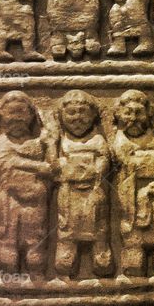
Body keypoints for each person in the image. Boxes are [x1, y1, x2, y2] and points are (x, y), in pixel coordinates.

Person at [112, 92, 154, 275]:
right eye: (128, 113)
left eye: (138, 113)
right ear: (119, 115)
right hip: (130, 196)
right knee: (131, 226)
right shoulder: (119, 143)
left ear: (147, 115)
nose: (133, 119)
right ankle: (133, 254)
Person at [0, 92, 53, 275]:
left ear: (30, 117)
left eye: (21, 115)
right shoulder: (2, 142)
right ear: (2, 118)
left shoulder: (38, 142)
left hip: (35, 199)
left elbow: (52, 168)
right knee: (8, 245)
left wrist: (51, 141)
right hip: (10, 201)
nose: (16, 121)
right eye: (11, 117)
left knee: (35, 244)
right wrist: (38, 166)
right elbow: (6, 163)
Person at [55, 93, 111, 276]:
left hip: (93, 189)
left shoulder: (98, 140)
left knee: (98, 221)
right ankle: (67, 250)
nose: (77, 119)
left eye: (83, 113)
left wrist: (98, 168)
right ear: (61, 116)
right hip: (69, 191)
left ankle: (101, 251)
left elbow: (104, 159)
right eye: (71, 113)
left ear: (94, 116)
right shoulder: (62, 142)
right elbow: (55, 166)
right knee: (67, 222)